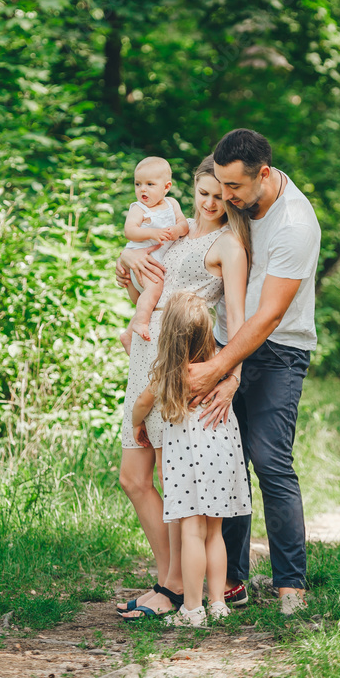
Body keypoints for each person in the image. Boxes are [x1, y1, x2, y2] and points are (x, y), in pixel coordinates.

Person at [186, 129, 321, 616]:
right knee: (225, 462)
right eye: (220, 185)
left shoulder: (295, 225)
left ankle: (291, 586)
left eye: (234, 189)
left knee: (269, 462)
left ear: (263, 174)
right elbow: (193, 235)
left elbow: (267, 317)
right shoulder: (232, 193)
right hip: (223, 340)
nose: (225, 197)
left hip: (279, 351)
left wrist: (220, 369)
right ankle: (233, 581)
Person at [115, 155, 251, 620]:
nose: (211, 203)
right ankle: (169, 576)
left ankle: (172, 586)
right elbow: (149, 296)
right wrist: (127, 270)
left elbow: (236, 318)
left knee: (171, 480)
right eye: (204, 193)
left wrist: (231, 375)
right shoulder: (174, 228)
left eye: (220, 195)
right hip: (143, 353)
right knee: (134, 478)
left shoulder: (228, 244)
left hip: (178, 366)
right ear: (190, 189)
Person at [131, 292, 251, 627]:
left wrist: (138, 422)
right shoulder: (219, 371)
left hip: (188, 461)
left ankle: (192, 610)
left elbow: (141, 404)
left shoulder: (170, 373)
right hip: (223, 454)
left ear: (169, 335)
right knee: (215, 533)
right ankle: (217, 604)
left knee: (193, 532)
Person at [120, 157, 189, 354]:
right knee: (155, 287)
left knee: (150, 296)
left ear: (166, 187)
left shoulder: (171, 204)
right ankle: (140, 323)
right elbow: (129, 231)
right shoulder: (138, 208)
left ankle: (127, 335)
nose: (143, 189)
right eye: (138, 184)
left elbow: (184, 224)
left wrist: (177, 230)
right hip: (142, 262)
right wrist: (151, 233)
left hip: (154, 263)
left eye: (150, 184)